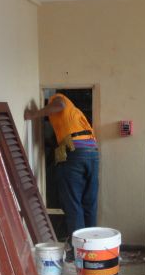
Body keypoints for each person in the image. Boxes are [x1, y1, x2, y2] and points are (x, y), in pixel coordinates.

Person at [24, 91, 99, 239]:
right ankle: (92, 246)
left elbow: (59, 105)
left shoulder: (58, 98)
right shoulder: (74, 115)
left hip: (75, 152)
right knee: (89, 203)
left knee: (73, 204)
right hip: (93, 152)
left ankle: (78, 248)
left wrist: (34, 114)